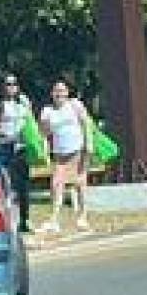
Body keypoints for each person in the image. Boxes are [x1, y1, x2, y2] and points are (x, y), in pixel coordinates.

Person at [38, 79, 93, 233]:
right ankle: (54, 219)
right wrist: (45, 150)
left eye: (62, 90)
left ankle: (82, 217)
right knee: (56, 184)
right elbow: (44, 133)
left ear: (67, 92)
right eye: (56, 91)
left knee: (80, 183)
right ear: (52, 94)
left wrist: (89, 144)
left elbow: (85, 123)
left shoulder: (75, 105)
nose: (59, 93)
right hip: (59, 153)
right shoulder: (47, 111)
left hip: (78, 149)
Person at [0, 74, 34, 232]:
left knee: (23, 186)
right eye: (8, 84)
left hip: (21, 146)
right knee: (7, 184)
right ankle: (9, 220)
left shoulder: (23, 101)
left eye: (14, 84)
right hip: (5, 146)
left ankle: (25, 220)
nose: (11, 87)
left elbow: (30, 122)